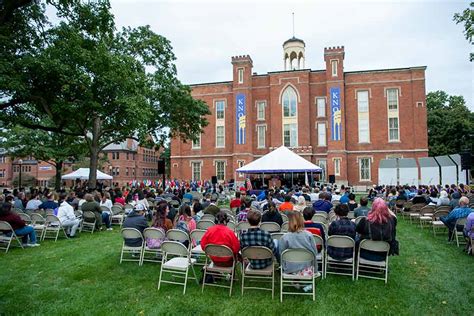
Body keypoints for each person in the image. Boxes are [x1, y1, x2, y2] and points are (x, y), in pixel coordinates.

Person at [279, 212, 319, 283]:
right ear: (301, 221)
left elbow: (281, 254)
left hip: (290, 268)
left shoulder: (284, 237)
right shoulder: (309, 235)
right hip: (307, 267)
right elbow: (315, 252)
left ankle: (295, 275)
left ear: (289, 222)